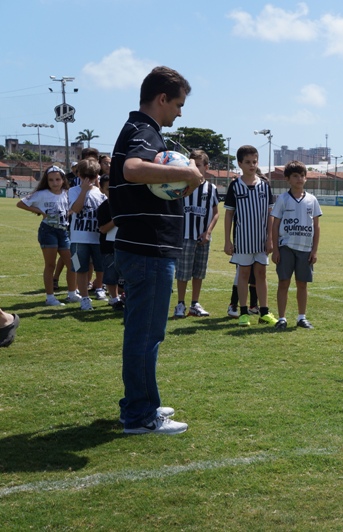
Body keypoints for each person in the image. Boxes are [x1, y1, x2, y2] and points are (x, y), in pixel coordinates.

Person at [109, 66, 203, 435]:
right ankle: (139, 415)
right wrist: (189, 175)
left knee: (143, 332)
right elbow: (133, 169)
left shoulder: (139, 130)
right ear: (162, 99)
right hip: (147, 249)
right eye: (178, 104)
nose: (180, 112)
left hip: (143, 246)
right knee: (146, 335)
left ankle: (139, 403)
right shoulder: (144, 131)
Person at [223, 145, 277, 327]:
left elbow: (271, 214)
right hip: (243, 240)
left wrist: (270, 238)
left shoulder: (264, 185)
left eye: (254, 162)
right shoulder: (235, 186)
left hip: (261, 241)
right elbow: (229, 214)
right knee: (243, 275)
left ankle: (264, 312)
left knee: (261, 274)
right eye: (247, 162)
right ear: (240, 164)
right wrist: (227, 240)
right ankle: (244, 312)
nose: (252, 165)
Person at [269, 160, 322, 330]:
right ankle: (282, 318)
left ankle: (301, 317)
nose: (299, 179)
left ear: (306, 178)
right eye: (295, 176)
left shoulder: (312, 200)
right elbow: (275, 225)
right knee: (283, 282)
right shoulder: (283, 199)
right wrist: (275, 249)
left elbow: (317, 226)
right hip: (286, 247)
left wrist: (314, 250)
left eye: (302, 176)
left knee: (302, 283)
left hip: (305, 249)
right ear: (288, 179)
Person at [16, 165, 79, 306]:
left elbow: (73, 207)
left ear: (63, 180)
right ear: (47, 181)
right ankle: (50, 297)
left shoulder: (68, 193)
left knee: (73, 264)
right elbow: (20, 204)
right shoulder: (42, 193)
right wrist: (40, 211)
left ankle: (72, 294)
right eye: (51, 180)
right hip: (48, 231)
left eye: (57, 179)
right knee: (50, 265)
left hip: (64, 231)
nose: (55, 183)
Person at [173, 149, 219, 318]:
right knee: (183, 273)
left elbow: (215, 213)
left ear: (206, 167)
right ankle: (180, 304)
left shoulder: (211, 188)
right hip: (185, 236)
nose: (195, 168)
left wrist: (208, 232)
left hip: (203, 238)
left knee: (199, 272)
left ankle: (194, 303)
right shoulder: (181, 186)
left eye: (198, 165)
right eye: (191, 165)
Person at [69, 158, 107, 310]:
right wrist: (84, 190)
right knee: (81, 269)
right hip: (79, 238)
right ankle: (84, 298)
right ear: (79, 175)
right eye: (86, 176)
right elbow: (76, 209)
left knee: (101, 267)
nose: (89, 180)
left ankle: (99, 288)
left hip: (97, 238)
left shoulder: (100, 193)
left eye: (93, 176)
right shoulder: (73, 191)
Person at [96, 176, 124, 310]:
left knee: (126, 274)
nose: (112, 191)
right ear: (102, 190)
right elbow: (102, 229)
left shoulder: (127, 204)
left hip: (125, 245)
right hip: (109, 247)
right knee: (111, 274)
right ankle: (114, 299)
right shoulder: (103, 208)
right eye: (108, 189)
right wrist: (115, 220)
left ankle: (126, 297)